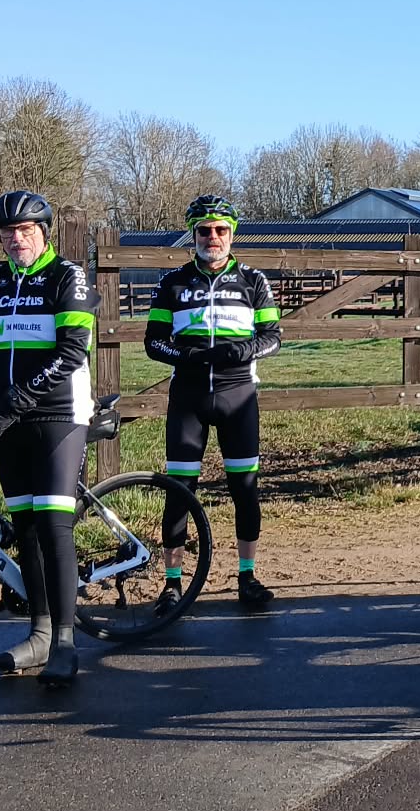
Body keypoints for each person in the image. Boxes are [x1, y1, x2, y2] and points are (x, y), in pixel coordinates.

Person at [0, 190, 97, 687]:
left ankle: (65, 641)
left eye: (25, 230)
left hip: (58, 414)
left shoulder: (67, 276)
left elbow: (71, 352)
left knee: (52, 524)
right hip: (8, 421)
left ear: (43, 232)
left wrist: (7, 408)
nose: (16, 239)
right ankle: (40, 634)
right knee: (24, 526)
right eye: (8, 232)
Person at [144, 195, 283, 610]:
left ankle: (247, 576)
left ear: (232, 234)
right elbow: (153, 342)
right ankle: (172, 583)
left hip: (238, 395)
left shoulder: (253, 281)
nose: (213, 237)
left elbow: (273, 337)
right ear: (193, 234)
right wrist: (185, 355)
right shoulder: (172, 283)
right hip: (188, 397)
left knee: (245, 488)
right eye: (204, 230)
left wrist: (244, 351)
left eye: (221, 230)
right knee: (179, 491)